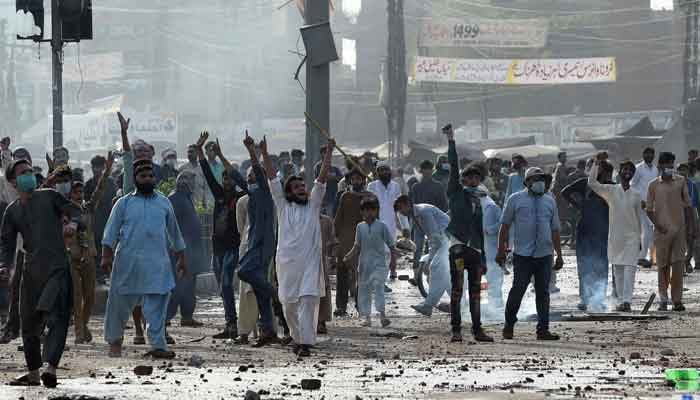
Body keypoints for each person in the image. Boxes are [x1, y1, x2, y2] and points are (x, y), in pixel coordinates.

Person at [1, 159, 78, 388]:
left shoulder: (49, 196)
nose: (30, 175)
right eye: (24, 173)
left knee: (57, 317)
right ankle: (33, 373)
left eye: (31, 171)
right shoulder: (12, 211)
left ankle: (50, 369)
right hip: (31, 271)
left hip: (57, 268)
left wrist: (73, 223)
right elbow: (6, 243)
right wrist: (5, 265)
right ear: (13, 181)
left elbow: (74, 209)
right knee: (29, 323)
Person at [102, 158, 187, 359]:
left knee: (157, 305)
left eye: (150, 176)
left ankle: (158, 345)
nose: (147, 179)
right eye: (143, 176)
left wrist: (182, 257)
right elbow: (110, 231)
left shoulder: (164, 202)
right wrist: (106, 256)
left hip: (157, 263)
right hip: (127, 263)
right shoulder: (124, 203)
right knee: (118, 305)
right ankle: (115, 342)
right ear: (135, 179)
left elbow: (174, 233)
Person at [267, 135, 334, 357]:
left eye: (303, 186)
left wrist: (329, 153)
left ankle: (305, 343)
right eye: (296, 187)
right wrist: (261, 153)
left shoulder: (313, 205)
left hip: (310, 264)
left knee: (307, 300)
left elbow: (322, 180)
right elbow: (272, 180)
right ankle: (297, 337)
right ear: (288, 192)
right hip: (286, 265)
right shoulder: (283, 207)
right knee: (288, 305)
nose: (301, 189)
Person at [497, 167, 563, 341]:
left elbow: (555, 229)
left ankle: (543, 330)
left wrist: (559, 255)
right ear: (527, 182)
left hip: (544, 254)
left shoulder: (550, 201)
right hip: (523, 256)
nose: (540, 182)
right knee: (517, 290)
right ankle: (509, 325)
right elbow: (504, 226)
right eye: (535, 179)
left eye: (541, 178)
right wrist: (500, 250)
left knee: (543, 293)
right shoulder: (515, 199)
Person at [439, 126, 493, 342]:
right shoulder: (456, 192)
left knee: (476, 292)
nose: (473, 180)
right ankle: (456, 330)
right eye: (469, 177)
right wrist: (451, 141)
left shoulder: (480, 199)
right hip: (458, 248)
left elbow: (480, 229)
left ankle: (477, 329)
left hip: (475, 251)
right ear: (463, 179)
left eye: (476, 178)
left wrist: (485, 258)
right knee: (457, 290)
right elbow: (454, 166)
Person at [196, 133, 248, 339]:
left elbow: (239, 178)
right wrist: (200, 151)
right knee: (222, 286)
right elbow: (208, 174)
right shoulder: (218, 195)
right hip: (216, 248)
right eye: (224, 177)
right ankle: (230, 323)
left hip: (232, 248)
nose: (226, 180)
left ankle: (233, 324)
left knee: (227, 283)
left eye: (229, 177)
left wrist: (221, 155)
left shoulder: (240, 196)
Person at [67, 152, 114, 344]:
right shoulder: (64, 210)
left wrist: (108, 169)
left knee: (90, 297)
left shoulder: (88, 208)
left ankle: (84, 326)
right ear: (70, 194)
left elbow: (100, 189)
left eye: (81, 192)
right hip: (72, 257)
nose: (79, 195)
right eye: (75, 192)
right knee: (77, 297)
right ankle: (79, 333)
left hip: (89, 256)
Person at [238, 132, 279, 347]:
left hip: (263, 246)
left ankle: (276, 295)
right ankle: (268, 330)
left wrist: (251, 152)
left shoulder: (265, 191)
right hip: (253, 245)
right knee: (259, 290)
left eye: (254, 176)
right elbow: (236, 178)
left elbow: (258, 173)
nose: (250, 179)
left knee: (243, 272)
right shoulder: (250, 197)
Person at [587, 157, 643, 312]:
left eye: (631, 170)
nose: (628, 172)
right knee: (618, 270)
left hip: (632, 237)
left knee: (630, 269)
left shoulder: (636, 195)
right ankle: (620, 301)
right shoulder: (611, 190)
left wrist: (640, 238)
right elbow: (592, 183)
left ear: (633, 174)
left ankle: (627, 301)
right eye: (625, 169)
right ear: (620, 172)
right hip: (616, 236)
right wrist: (596, 164)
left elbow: (639, 218)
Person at [561, 160, 613, 312]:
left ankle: (599, 298)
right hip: (584, 229)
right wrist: (579, 205)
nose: (604, 175)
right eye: (602, 171)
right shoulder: (585, 183)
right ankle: (584, 298)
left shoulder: (609, 187)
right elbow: (565, 192)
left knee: (602, 265)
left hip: (603, 230)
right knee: (584, 264)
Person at [646, 152, 694, 311]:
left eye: (671, 164)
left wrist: (690, 228)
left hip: (679, 230)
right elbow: (649, 209)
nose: (669, 168)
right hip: (661, 232)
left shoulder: (681, 181)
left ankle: (677, 300)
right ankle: (663, 299)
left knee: (678, 266)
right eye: (667, 164)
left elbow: (688, 206)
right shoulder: (653, 185)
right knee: (662, 267)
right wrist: (658, 226)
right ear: (660, 166)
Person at [395, 196, 452, 317]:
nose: (400, 212)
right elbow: (429, 238)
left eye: (401, 208)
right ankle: (461, 304)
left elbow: (435, 237)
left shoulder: (423, 212)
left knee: (436, 269)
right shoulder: (416, 215)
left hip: (447, 239)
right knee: (444, 275)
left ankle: (428, 306)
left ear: (407, 204)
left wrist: (430, 259)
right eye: (398, 210)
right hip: (442, 240)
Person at [344, 196, 395, 328]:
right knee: (364, 290)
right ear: (362, 212)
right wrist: (348, 257)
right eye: (366, 210)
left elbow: (391, 245)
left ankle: (382, 315)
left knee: (378, 286)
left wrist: (393, 262)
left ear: (376, 211)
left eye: (372, 210)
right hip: (364, 265)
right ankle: (367, 318)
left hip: (379, 264)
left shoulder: (382, 226)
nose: (369, 213)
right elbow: (357, 246)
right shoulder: (360, 227)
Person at [166, 170, 208, 330]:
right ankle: (166, 317)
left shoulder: (186, 198)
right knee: (178, 286)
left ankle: (187, 316)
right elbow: (172, 227)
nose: (191, 185)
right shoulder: (175, 198)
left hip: (191, 250)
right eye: (190, 181)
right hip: (181, 251)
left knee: (189, 285)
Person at [333, 168, 371, 316]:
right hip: (345, 239)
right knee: (342, 274)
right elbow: (338, 217)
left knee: (362, 275)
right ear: (349, 181)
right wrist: (334, 237)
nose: (356, 181)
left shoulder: (370, 197)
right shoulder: (345, 196)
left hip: (363, 240)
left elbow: (375, 219)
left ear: (363, 180)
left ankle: (361, 304)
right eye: (353, 179)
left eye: (358, 179)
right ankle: (341, 306)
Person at [368, 162, 401, 280]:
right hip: (377, 221)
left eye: (386, 170)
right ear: (377, 172)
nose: (384, 172)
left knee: (391, 249)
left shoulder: (396, 186)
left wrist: (404, 226)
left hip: (391, 223)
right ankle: (380, 276)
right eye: (381, 170)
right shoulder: (372, 186)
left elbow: (399, 208)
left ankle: (390, 272)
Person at [631, 147, 658, 268]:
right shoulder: (638, 169)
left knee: (652, 231)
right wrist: (638, 200)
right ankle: (641, 257)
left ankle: (652, 257)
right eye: (647, 154)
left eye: (651, 154)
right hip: (641, 203)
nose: (649, 156)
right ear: (643, 155)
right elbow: (633, 185)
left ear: (653, 155)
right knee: (646, 230)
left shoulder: (655, 169)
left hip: (652, 204)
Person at [677, 162, 699, 273]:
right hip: (677, 214)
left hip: (690, 213)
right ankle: (681, 264)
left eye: (685, 170)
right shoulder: (674, 184)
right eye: (680, 170)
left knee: (691, 239)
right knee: (679, 240)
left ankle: (687, 261)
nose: (683, 172)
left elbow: (695, 202)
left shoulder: (692, 184)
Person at [313, 144, 343, 216]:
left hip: (333, 198)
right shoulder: (318, 167)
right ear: (321, 154)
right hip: (322, 199)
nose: (327, 154)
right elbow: (320, 179)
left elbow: (341, 179)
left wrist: (331, 177)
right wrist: (332, 177)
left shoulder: (335, 169)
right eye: (325, 152)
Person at [318, 214, 336, 333]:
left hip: (321, 259)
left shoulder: (326, 221)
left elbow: (333, 241)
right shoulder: (299, 218)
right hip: (303, 259)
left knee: (323, 289)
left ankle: (321, 321)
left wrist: (333, 257)